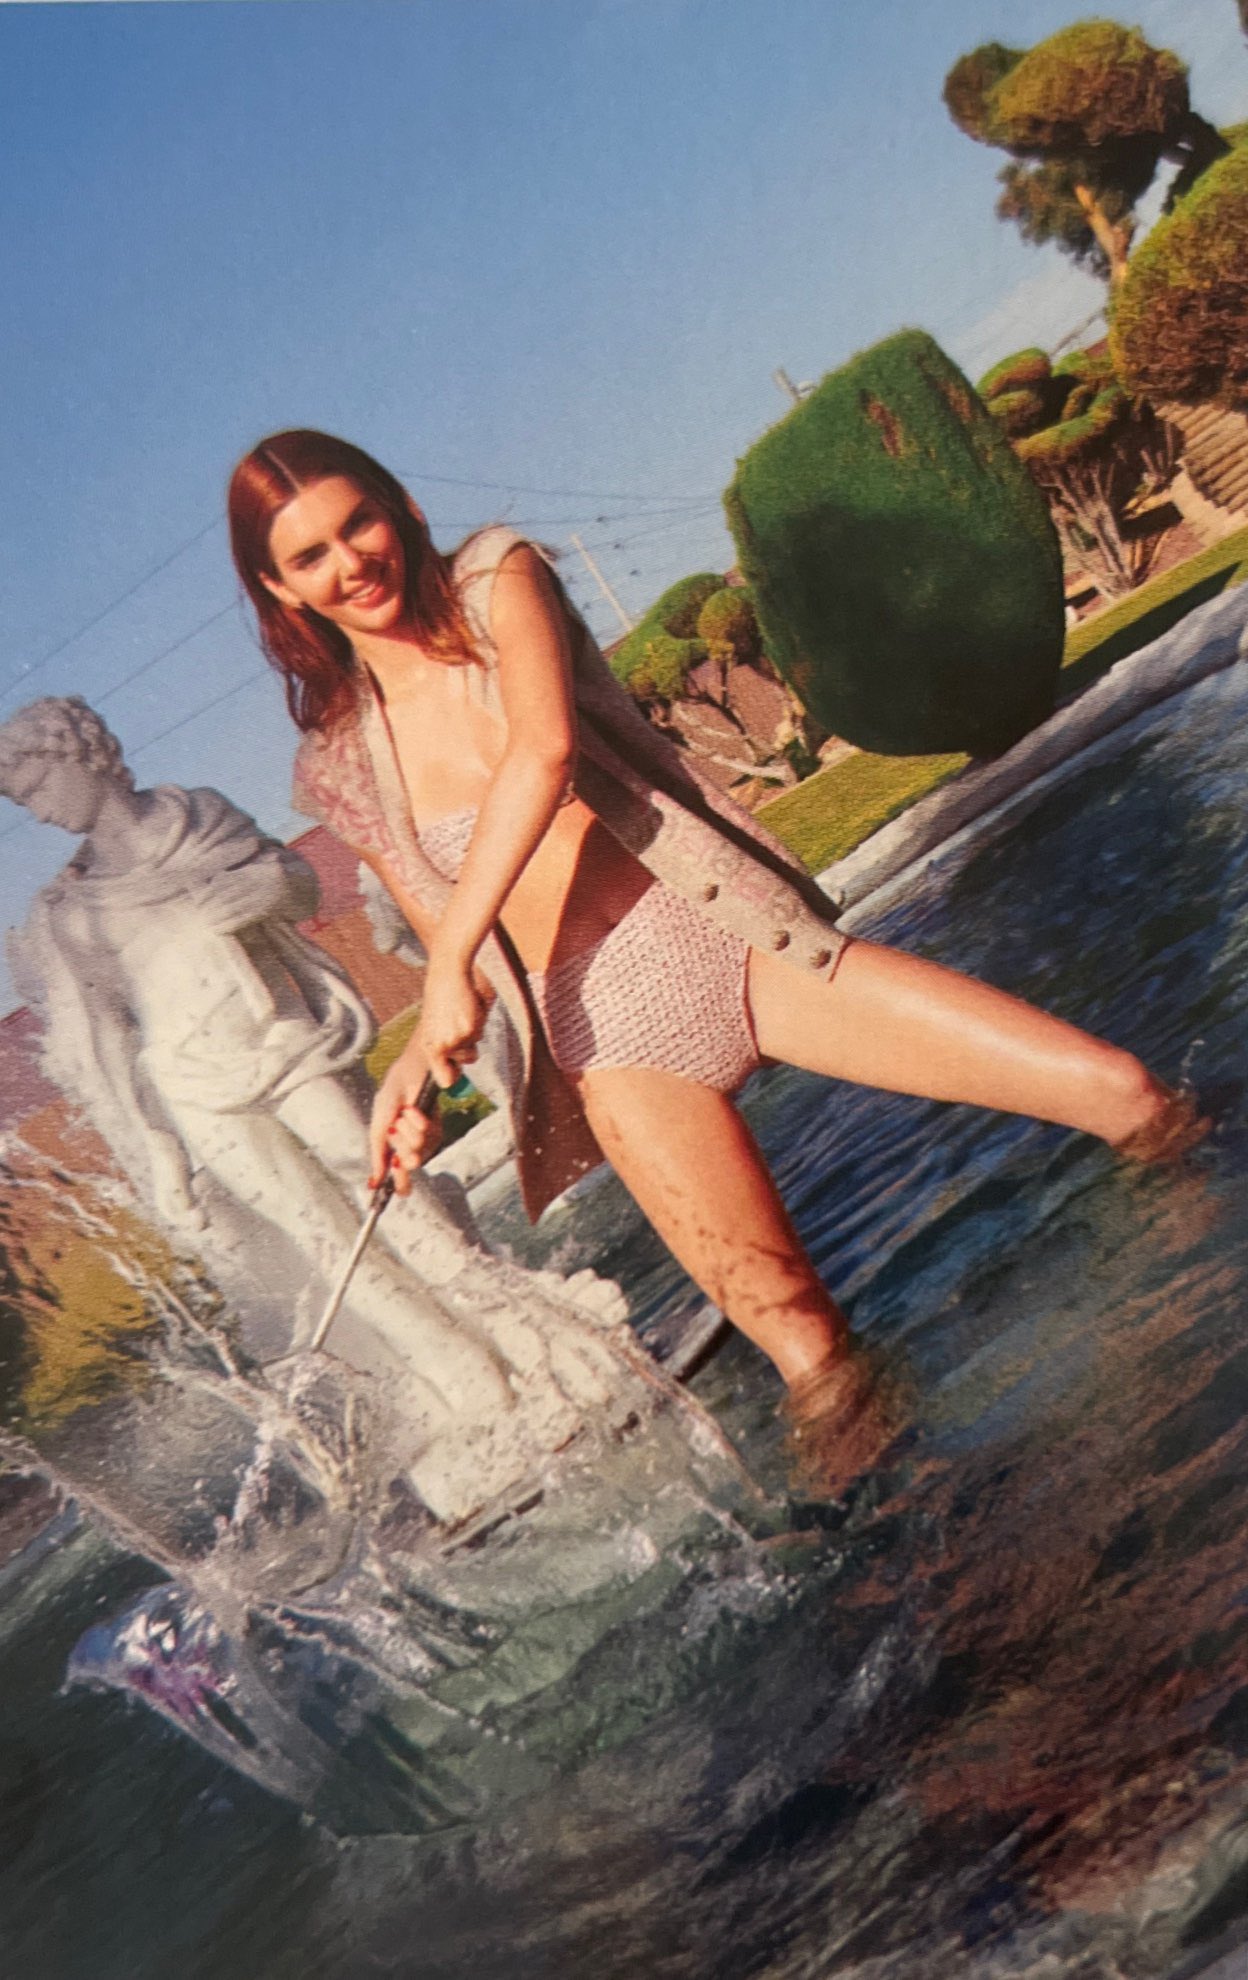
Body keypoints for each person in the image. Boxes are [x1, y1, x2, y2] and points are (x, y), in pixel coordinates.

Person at [227, 429, 1200, 1478]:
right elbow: (441, 928)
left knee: (1129, 1094)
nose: (351, 563)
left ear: (404, 509)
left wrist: (453, 963)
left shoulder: (498, 578)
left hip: (729, 939)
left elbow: (544, 751)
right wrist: (420, 1072)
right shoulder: (336, 761)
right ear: (280, 590)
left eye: (359, 524)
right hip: (605, 1040)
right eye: (311, 556)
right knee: (817, 1367)